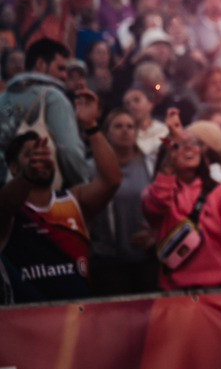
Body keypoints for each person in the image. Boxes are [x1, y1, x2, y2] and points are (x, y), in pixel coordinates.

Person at [0, 89, 122, 303]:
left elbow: (111, 180)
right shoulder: (11, 209)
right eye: (31, 154)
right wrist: (27, 176)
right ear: (12, 166)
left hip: (77, 323)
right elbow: (3, 206)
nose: (41, 159)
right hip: (25, 326)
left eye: (46, 152)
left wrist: (91, 126)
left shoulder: (74, 200)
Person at [141, 108, 221, 291]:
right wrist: (172, 140)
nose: (188, 147)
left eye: (193, 143)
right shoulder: (150, 194)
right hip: (178, 298)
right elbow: (159, 201)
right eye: (179, 145)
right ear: (166, 155)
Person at [87, 107, 159, 295]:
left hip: (147, 258)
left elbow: (164, 205)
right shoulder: (91, 169)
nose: (125, 130)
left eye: (130, 126)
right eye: (118, 126)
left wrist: (157, 234)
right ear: (106, 133)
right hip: (107, 262)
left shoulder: (151, 164)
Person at [0, 38, 89, 188]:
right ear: (41, 64)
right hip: (38, 196)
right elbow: (69, 150)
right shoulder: (52, 97)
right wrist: (84, 187)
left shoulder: (2, 98)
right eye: (60, 68)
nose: (64, 76)